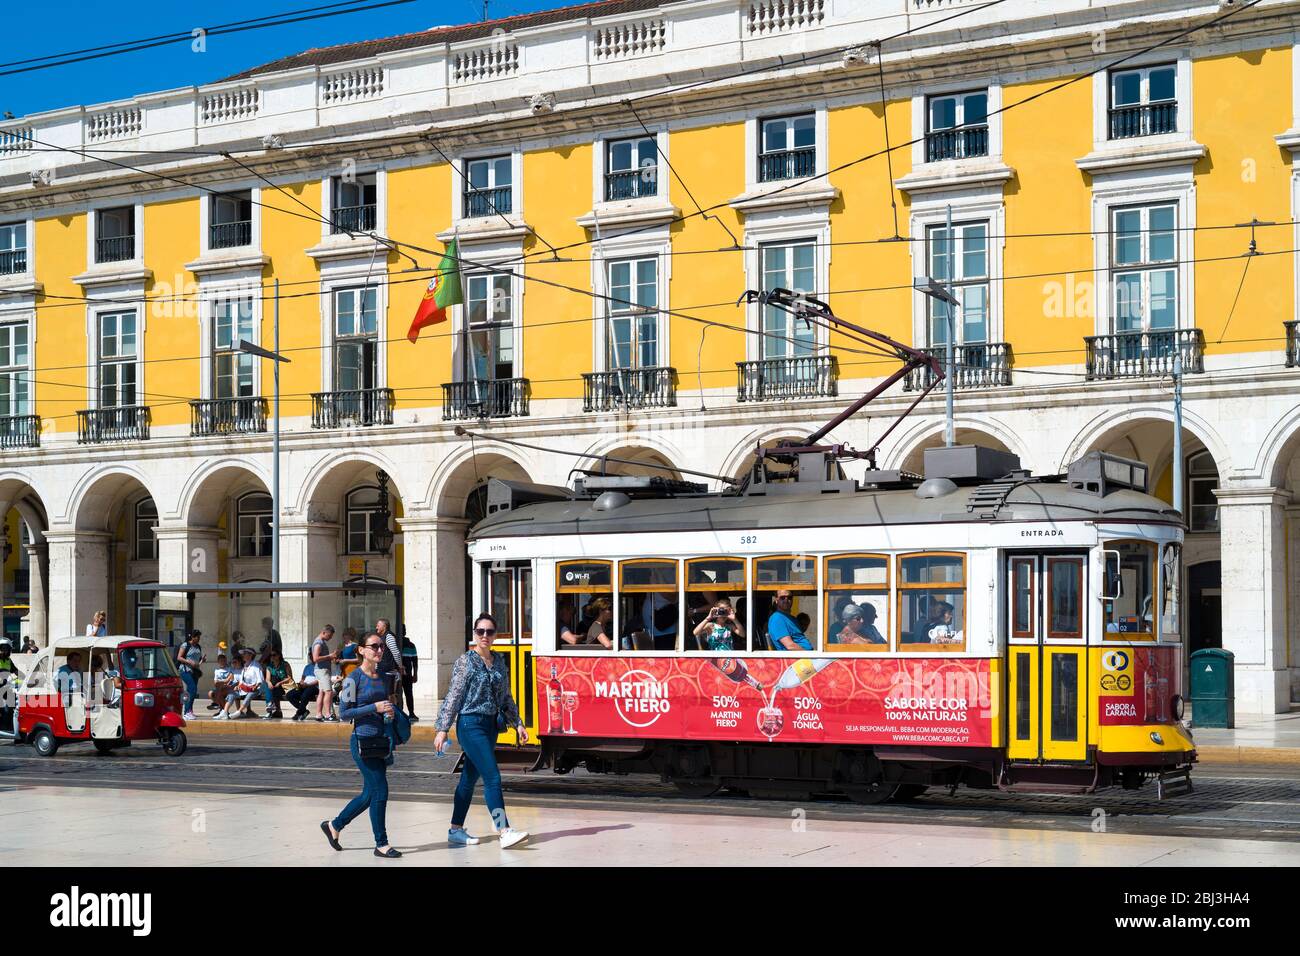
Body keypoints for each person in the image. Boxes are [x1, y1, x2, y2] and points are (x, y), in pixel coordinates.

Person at [434, 613, 529, 849]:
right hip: (470, 724)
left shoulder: (498, 662)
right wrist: (442, 728)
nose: (485, 636)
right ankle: (504, 830)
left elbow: (505, 697)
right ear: (474, 634)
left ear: (496, 636)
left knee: (468, 780)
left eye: (489, 632)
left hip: (490, 726)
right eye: (480, 632)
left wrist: (517, 723)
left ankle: (455, 830)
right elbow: (454, 696)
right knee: (492, 777)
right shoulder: (465, 661)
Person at [321, 632, 402, 858]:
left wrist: (388, 712)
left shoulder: (383, 677)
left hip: (381, 740)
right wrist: (374, 708)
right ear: (361, 650)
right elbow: (344, 713)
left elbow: (385, 705)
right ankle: (381, 843)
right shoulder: (351, 679)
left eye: (381, 647)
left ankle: (334, 825)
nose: (379, 650)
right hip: (362, 741)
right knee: (381, 791)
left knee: (369, 794)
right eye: (374, 646)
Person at [220, 648, 263, 719]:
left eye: (245, 654)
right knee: (232, 693)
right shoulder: (245, 665)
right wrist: (238, 686)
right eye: (243, 654)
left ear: (251, 655)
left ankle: (239, 711)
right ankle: (225, 712)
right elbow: (242, 680)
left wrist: (255, 686)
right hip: (245, 688)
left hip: (256, 689)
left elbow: (260, 678)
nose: (243, 655)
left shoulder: (256, 665)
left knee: (249, 695)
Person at [175, 630, 205, 720]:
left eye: (199, 637)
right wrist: (189, 662)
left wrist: (202, 660)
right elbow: (179, 657)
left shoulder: (198, 647)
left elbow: (197, 659)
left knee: (191, 691)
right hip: (185, 670)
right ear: (192, 637)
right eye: (197, 637)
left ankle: (189, 711)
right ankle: (187, 711)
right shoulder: (185, 645)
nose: (198, 639)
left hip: (195, 671)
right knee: (192, 688)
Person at [311, 626, 338, 722]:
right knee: (328, 692)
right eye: (329, 635)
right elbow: (315, 658)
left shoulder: (321, 642)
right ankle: (327, 714)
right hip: (322, 670)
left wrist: (331, 657)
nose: (330, 638)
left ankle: (319, 714)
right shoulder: (319, 643)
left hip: (321, 670)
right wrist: (329, 656)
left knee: (321, 692)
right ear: (324, 632)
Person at [0, 641, 23, 736]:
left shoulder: (8, 660)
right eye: (2, 650)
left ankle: (8, 724)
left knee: (12, 701)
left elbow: (16, 671)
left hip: (6, 686)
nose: (4, 652)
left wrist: (25, 677)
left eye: (6, 650)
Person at [262, 650, 293, 719]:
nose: (272, 657)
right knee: (268, 685)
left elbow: (290, 677)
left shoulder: (285, 664)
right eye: (271, 655)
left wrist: (280, 683)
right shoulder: (269, 666)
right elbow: (267, 678)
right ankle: (270, 709)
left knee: (273, 688)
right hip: (275, 687)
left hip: (285, 686)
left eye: (274, 655)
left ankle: (271, 709)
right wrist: (269, 682)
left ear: (279, 656)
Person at [400, 631, 419, 721]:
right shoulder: (411, 645)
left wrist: (415, 674)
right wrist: (415, 674)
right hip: (408, 674)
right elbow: (415, 662)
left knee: (400, 694)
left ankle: (403, 713)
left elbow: (415, 661)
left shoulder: (397, 644)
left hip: (400, 674)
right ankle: (411, 713)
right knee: (409, 694)